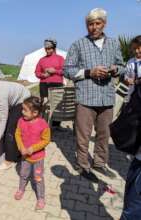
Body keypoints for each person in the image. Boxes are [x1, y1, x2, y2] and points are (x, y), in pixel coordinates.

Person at [63, 8, 125, 182]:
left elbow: (122, 66)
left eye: (97, 23)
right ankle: (83, 165)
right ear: (87, 25)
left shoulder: (113, 44)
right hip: (86, 98)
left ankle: (99, 163)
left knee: (104, 134)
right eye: (90, 24)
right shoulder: (78, 44)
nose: (94, 27)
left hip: (106, 97)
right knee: (83, 135)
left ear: (104, 24)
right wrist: (90, 72)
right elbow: (67, 70)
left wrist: (114, 70)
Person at [14, 96, 50, 210]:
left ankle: (41, 197)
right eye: (22, 109)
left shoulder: (43, 124)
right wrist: (21, 147)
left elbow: (46, 140)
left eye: (25, 110)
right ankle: (21, 189)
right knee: (23, 174)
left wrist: (32, 149)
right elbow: (17, 134)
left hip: (38, 158)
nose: (22, 112)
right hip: (25, 157)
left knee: (38, 178)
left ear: (35, 113)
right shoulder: (21, 121)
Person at [120, 35, 141, 220]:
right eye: (135, 48)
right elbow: (125, 80)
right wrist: (128, 82)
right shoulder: (131, 63)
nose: (137, 51)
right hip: (131, 101)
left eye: (140, 48)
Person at [35, 38, 65, 127]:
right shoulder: (42, 60)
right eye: (46, 48)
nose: (47, 50)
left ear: (54, 48)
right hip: (44, 84)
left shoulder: (60, 58)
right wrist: (42, 75)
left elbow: (64, 71)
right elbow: (37, 72)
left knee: (57, 104)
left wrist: (54, 71)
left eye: (49, 48)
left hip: (57, 84)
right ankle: (43, 122)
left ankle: (56, 125)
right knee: (44, 104)